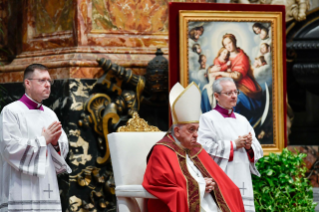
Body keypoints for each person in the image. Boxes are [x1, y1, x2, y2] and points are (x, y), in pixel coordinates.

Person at [143, 82, 245, 212]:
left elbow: (219, 178)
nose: (196, 135)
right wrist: (200, 185)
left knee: (232, 190)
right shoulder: (162, 150)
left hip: (209, 202)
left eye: (197, 129)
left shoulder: (196, 148)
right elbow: (161, 185)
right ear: (177, 132)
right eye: (191, 130)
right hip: (185, 205)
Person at [0, 64, 71, 212]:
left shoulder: (50, 114)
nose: (47, 85)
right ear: (28, 83)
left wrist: (56, 143)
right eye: (42, 80)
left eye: (49, 81)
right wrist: (42, 140)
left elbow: (63, 148)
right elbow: (9, 148)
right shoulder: (11, 111)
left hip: (47, 185)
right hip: (20, 186)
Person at [198, 77, 263, 212]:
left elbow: (258, 149)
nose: (234, 96)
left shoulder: (243, 120)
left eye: (235, 92)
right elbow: (203, 148)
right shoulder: (207, 119)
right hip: (222, 177)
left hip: (242, 176)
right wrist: (233, 145)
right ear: (216, 96)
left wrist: (249, 147)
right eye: (229, 93)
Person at [210, 34, 263, 125]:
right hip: (227, 84)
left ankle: (234, 125)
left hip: (243, 84)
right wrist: (211, 70)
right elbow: (217, 65)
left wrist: (220, 73)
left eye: (229, 43)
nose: (228, 46)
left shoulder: (242, 57)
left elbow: (237, 76)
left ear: (234, 41)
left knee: (234, 100)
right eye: (225, 45)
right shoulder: (225, 55)